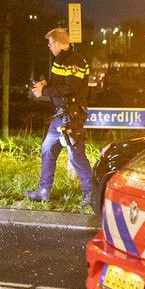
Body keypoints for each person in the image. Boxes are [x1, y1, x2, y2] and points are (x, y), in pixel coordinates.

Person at [25, 28, 93, 207]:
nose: (49, 47)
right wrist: (45, 84)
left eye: (50, 44)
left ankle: (90, 192)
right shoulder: (59, 60)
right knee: (47, 149)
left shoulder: (76, 62)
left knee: (75, 155)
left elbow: (71, 88)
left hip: (73, 116)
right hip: (60, 115)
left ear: (57, 42)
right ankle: (43, 191)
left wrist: (44, 91)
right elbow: (58, 84)